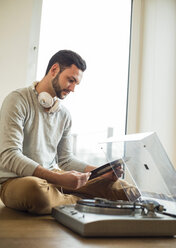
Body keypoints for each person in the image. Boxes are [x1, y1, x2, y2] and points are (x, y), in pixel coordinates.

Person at [0, 50, 136, 215]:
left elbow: (65, 159)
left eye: (76, 84)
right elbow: (9, 154)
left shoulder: (64, 115)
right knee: (36, 192)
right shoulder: (17, 100)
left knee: (126, 190)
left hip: (53, 178)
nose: (72, 89)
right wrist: (56, 178)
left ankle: (62, 199)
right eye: (70, 80)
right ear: (54, 70)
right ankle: (80, 202)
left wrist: (100, 172)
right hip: (16, 181)